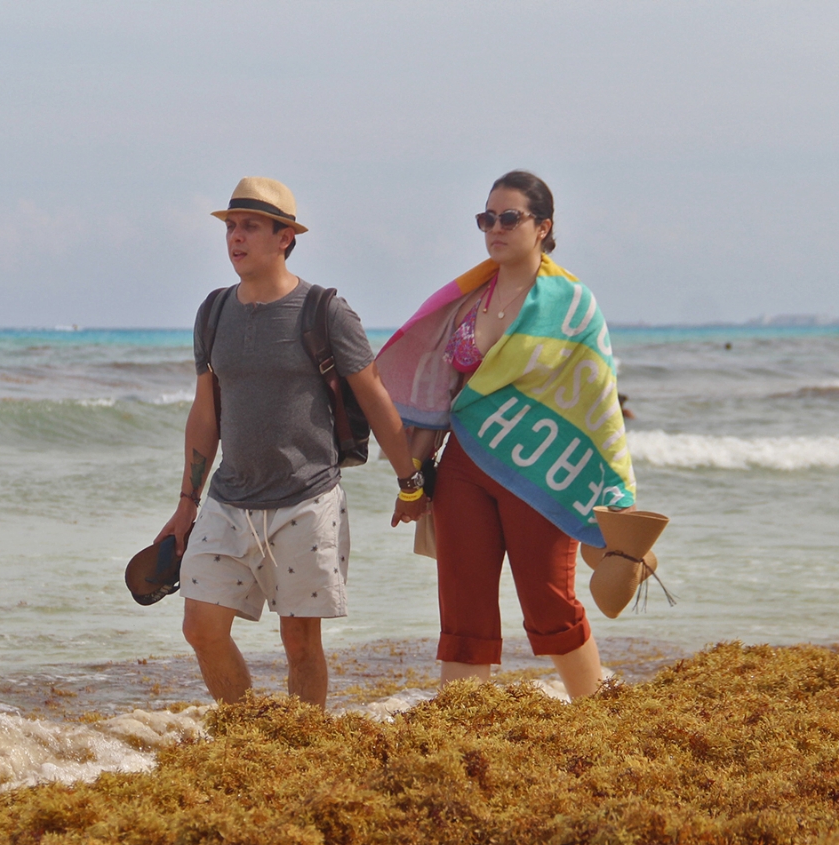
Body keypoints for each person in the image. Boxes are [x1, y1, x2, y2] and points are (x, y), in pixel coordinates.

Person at [157, 177, 427, 709]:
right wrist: (186, 503)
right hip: (229, 499)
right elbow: (205, 412)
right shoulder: (212, 313)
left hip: (308, 500)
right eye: (231, 227)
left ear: (285, 238)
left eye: (250, 227)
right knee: (200, 626)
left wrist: (411, 482)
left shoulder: (324, 311)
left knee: (300, 643)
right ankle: (248, 736)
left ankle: (302, 751)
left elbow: (373, 397)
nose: (236, 238)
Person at [374, 171, 638, 700]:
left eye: (509, 217)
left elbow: (598, 402)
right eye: (486, 218)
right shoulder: (469, 301)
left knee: (548, 600)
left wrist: (613, 491)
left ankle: (598, 718)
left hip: (540, 467)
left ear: (543, 226)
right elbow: (440, 397)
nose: (495, 227)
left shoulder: (572, 304)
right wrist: (412, 481)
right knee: (463, 601)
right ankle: (463, 727)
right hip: (465, 466)